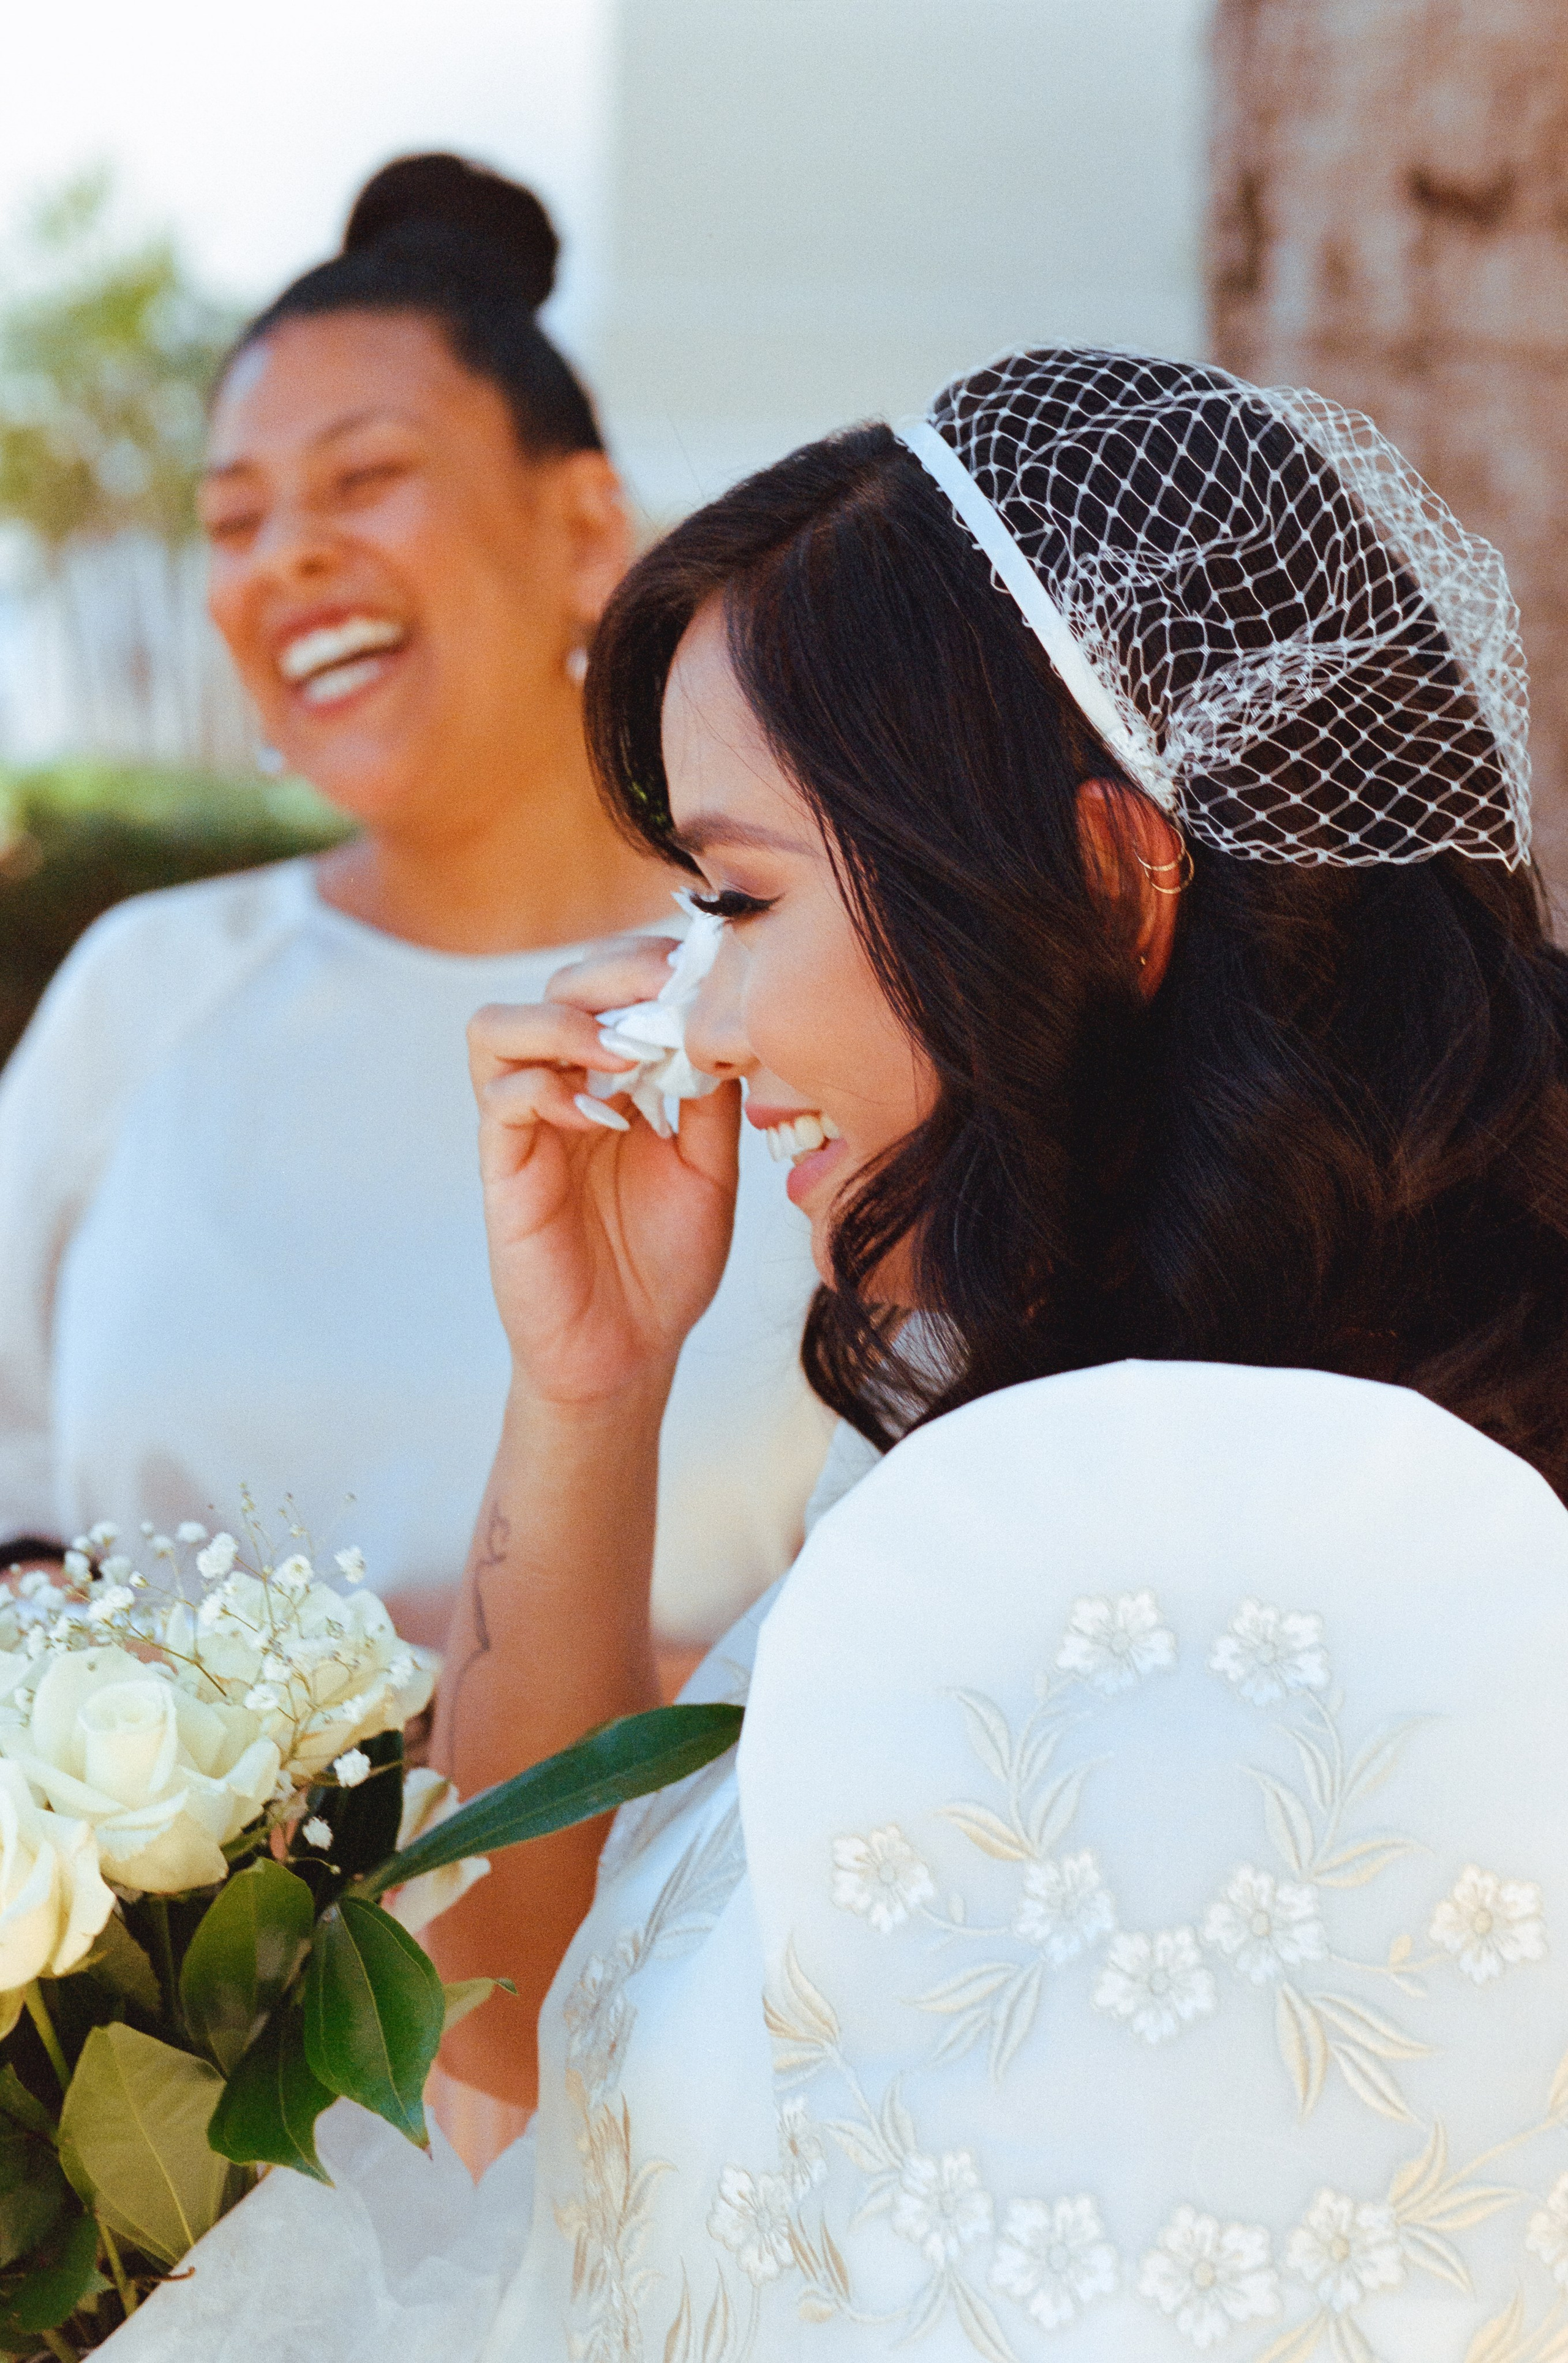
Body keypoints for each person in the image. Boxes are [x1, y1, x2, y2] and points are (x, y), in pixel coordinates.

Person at [110, 350, 1568, 2359]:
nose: (684, 1017)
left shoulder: (1223, 1593)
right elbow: (502, 2057)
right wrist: (587, 1383)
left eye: (737, 892)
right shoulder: (982, 1449)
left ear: (1105, 877)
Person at [0, 153, 832, 1683]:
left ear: (588, 532)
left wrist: (513, 1703)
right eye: (232, 518)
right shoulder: (149, 988)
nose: (285, 557)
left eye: (364, 479)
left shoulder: (800, 996)